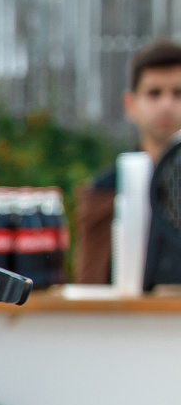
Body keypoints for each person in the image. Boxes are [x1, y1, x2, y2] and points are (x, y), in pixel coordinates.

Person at [75, 39, 181, 286]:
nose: (166, 105)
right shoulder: (105, 190)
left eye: (178, 93)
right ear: (131, 104)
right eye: (154, 93)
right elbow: (89, 285)